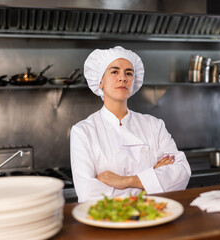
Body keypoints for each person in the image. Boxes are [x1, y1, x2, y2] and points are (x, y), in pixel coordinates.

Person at [70, 46, 191, 202]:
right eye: (114, 72)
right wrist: (151, 181)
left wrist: (126, 181)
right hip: (111, 222)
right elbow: (88, 194)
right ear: (100, 81)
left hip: (154, 217)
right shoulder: (83, 131)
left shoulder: (153, 125)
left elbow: (182, 172)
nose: (123, 78)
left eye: (129, 73)